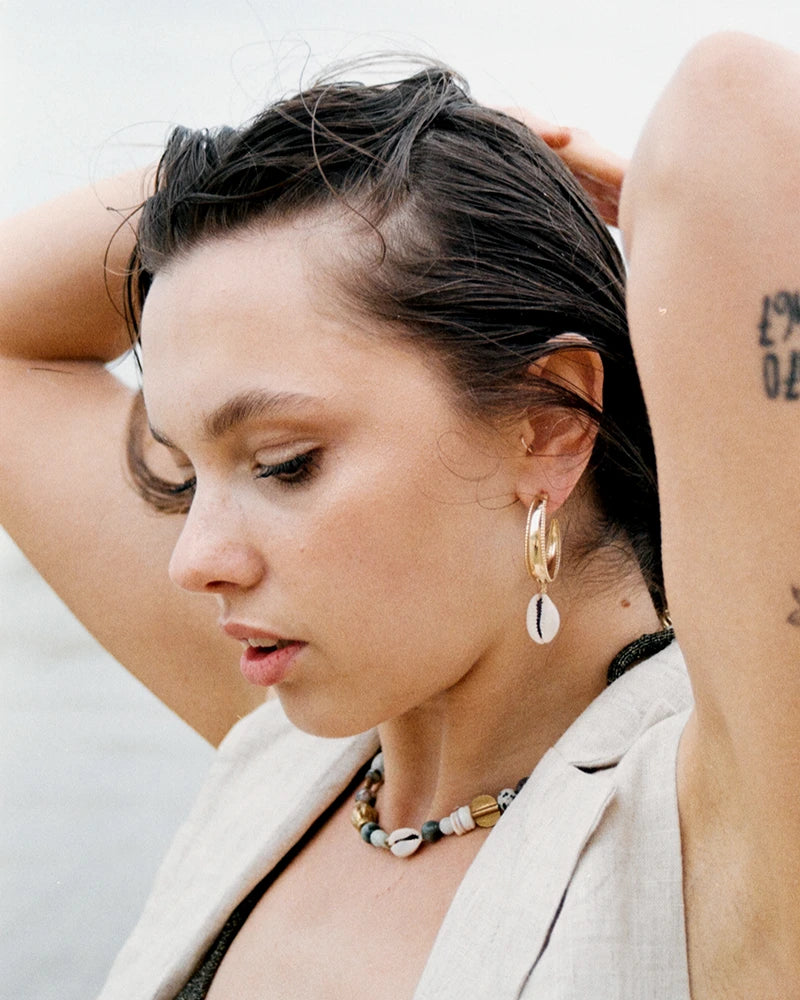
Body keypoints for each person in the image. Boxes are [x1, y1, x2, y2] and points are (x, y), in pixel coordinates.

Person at [1, 30, 798, 999]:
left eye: (284, 463)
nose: (195, 558)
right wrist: (332, 169)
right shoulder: (292, 758)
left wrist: (449, 176)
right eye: (181, 472)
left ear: (546, 424)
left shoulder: (728, 827)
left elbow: (739, 117)